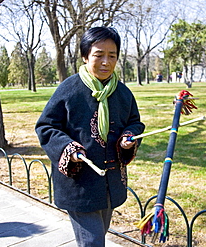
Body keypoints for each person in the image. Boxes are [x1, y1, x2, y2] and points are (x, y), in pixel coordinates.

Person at [35, 26, 145, 247]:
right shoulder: (69, 89)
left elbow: (135, 122)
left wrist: (129, 136)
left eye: (112, 56)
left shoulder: (122, 92)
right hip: (79, 184)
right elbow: (46, 126)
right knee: (93, 242)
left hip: (110, 182)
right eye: (98, 55)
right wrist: (69, 149)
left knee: (97, 236)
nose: (106, 62)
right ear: (85, 56)